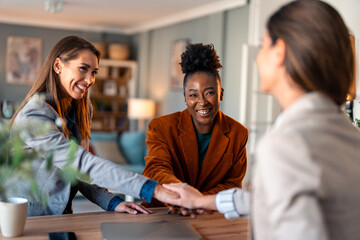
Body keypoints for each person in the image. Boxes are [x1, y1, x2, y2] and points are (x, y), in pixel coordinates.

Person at [163, 0, 360, 239]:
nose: (257, 59)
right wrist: (205, 200)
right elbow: (276, 197)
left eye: (264, 46)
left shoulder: (287, 144)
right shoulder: (350, 135)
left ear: (280, 52)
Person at [10, 36, 176, 216]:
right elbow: (79, 163)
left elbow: (75, 171)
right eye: (83, 69)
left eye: (94, 72)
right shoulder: (34, 115)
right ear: (58, 66)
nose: (90, 80)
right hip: (29, 218)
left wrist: (111, 202)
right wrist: (152, 189)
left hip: (62, 215)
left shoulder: (80, 109)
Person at [142, 43, 248, 214]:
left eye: (209, 92)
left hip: (211, 215)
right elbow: (156, 169)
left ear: (221, 93)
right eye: (193, 94)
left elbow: (232, 183)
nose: (202, 102)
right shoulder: (161, 127)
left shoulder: (238, 133)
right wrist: (182, 199)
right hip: (164, 212)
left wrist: (199, 202)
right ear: (185, 97)